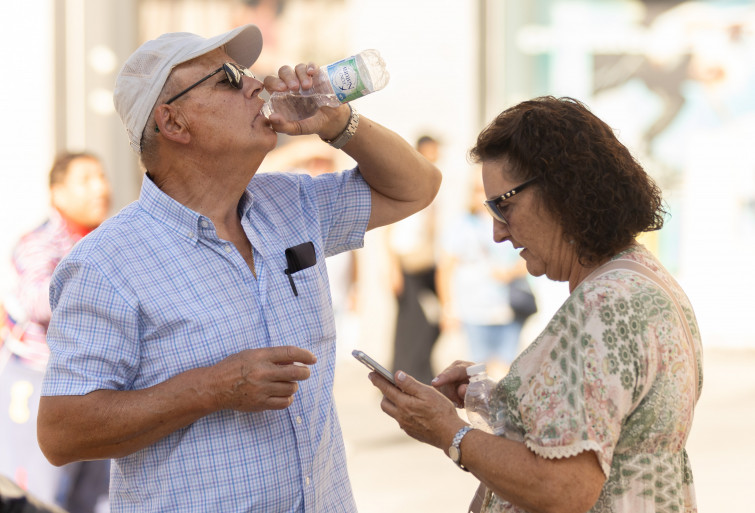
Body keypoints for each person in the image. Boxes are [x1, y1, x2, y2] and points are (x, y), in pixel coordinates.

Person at [36, 24, 441, 513]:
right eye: (228, 78)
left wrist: (339, 123)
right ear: (174, 123)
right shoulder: (106, 263)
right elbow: (61, 431)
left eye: (249, 72)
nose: (256, 84)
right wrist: (210, 388)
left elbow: (416, 188)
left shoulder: (289, 202)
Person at [367, 96, 702, 513]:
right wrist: (491, 398)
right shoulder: (637, 277)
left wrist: (449, 432)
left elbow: (563, 488)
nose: (498, 233)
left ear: (564, 189)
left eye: (503, 205)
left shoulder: (606, 305)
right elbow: (604, 422)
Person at [0, 152, 111, 512]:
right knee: (35, 498)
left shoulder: (108, 238)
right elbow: (37, 299)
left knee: (90, 499)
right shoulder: (39, 241)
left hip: (96, 385)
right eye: (86, 180)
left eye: (101, 177)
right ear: (57, 193)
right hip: (37, 382)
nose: (101, 188)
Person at [436, 172, 529, 374]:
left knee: (505, 371)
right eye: (479, 191)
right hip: (474, 310)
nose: (484, 196)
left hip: (508, 308)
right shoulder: (461, 225)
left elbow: (529, 258)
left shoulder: (513, 222)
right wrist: (447, 308)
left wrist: (509, 273)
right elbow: (446, 268)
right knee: (476, 374)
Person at [386, 135, 442, 384]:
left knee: (432, 322)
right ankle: (404, 374)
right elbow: (389, 230)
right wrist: (393, 269)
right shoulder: (406, 181)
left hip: (426, 262)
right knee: (411, 322)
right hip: (407, 262)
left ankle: (421, 370)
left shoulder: (432, 183)